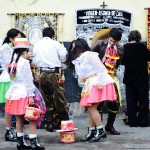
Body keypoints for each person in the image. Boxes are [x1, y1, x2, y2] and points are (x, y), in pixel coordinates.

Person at [71, 38, 117, 142]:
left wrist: (100, 81)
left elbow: (100, 67)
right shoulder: (78, 59)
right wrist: (82, 79)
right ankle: (91, 131)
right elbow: (81, 76)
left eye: (74, 46)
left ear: (79, 46)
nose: (73, 48)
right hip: (89, 84)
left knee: (91, 108)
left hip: (96, 82)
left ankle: (100, 131)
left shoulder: (88, 55)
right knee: (90, 108)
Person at [5, 37, 45, 150]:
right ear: (24, 51)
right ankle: (34, 143)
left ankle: (20, 143)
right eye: (28, 51)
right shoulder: (25, 63)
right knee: (32, 118)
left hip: (14, 93)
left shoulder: (13, 63)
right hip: (24, 93)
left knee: (19, 119)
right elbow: (28, 81)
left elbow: (12, 79)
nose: (29, 53)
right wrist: (31, 96)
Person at [32, 27, 69, 132]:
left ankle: (49, 123)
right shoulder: (56, 44)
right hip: (55, 72)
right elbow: (63, 57)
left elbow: (34, 61)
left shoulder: (37, 45)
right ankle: (64, 122)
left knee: (45, 98)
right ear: (53, 35)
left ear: (43, 35)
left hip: (42, 72)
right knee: (59, 97)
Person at [91, 28, 124, 135]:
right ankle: (98, 127)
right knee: (98, 103)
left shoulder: (120, 49)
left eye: (115, 41)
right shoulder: (99, 44)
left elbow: (118, 63)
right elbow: (90, 56)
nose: (112, 42)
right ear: (109, 36)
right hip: (100, 77)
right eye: (111, 40)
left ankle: (109, 126)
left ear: (118, 41)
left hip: (111, 77)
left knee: (114, 103)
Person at [121, 30, 150, 127]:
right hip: (141, 78)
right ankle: (143, 121)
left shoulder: (125, 47)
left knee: (131, 100)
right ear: (139, 38)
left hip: (129, 78)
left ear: (129, 37)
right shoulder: (141, 46)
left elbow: (122, 62)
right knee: (143, 100)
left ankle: (132, 121)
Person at [0, 28, 21, 142]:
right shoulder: (5, 48)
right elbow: (10, 64)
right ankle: (8, 132)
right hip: (8, 79)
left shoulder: (13, 47)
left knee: (14, 108)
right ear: (11, 38)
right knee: (9, 108)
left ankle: (18, 132)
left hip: (13, 79)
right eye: (17, 37)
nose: (19, 39)